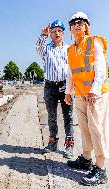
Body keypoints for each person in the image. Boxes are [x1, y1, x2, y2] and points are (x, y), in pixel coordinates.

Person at [64, 11, 109, 186]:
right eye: (74, 22)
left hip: (96, 95)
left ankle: (101, 168)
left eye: (81, 22)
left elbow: (101, 68)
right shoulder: (70, 49)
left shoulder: (94, 42)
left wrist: (94, 90)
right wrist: (68, 92)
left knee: (97, 129)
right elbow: (71, 73)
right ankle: (86, 159)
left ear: (86, 27)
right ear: (71, 28)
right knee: (84, 128)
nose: (77, 24)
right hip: (81, 96)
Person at [36, 20, 74, 158]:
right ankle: (53, 142)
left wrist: (71, 89)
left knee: (68, 116)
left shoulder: (69, 49)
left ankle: (69, 145)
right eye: (53, 31)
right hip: (50, 86)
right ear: (50, 34)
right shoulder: (46, 49)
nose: (56, 33)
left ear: (63, 33)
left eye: (59, 31)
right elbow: (38, 48)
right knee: (51, 116)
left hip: (65, 86)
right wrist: (42, 35)